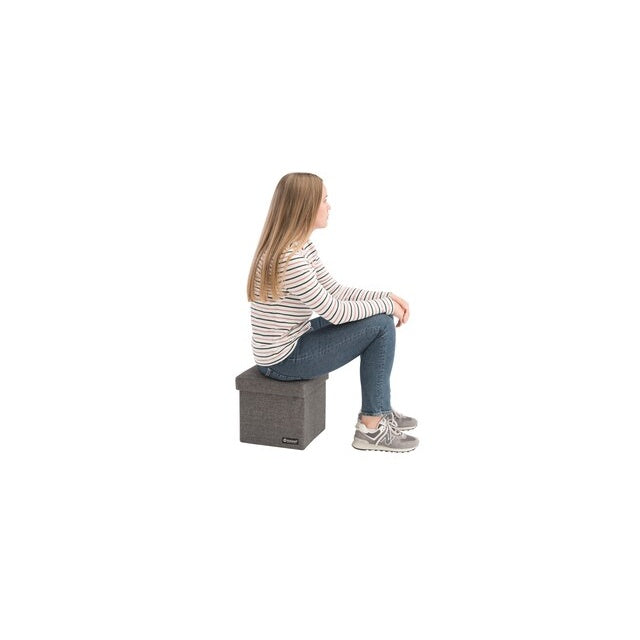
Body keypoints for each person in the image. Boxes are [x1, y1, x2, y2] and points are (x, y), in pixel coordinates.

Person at [246, 172, 418, 453]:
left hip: (293, 340)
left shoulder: (300, 247)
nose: (330, 206)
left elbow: (334, 290)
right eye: (324, 200)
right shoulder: (291, 260)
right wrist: (386, 306)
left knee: (380, 318)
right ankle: (371, 428)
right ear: (306, 207)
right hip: (283, 360)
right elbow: (335, 312)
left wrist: (385, 297)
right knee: (381, 325)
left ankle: (380, 409)